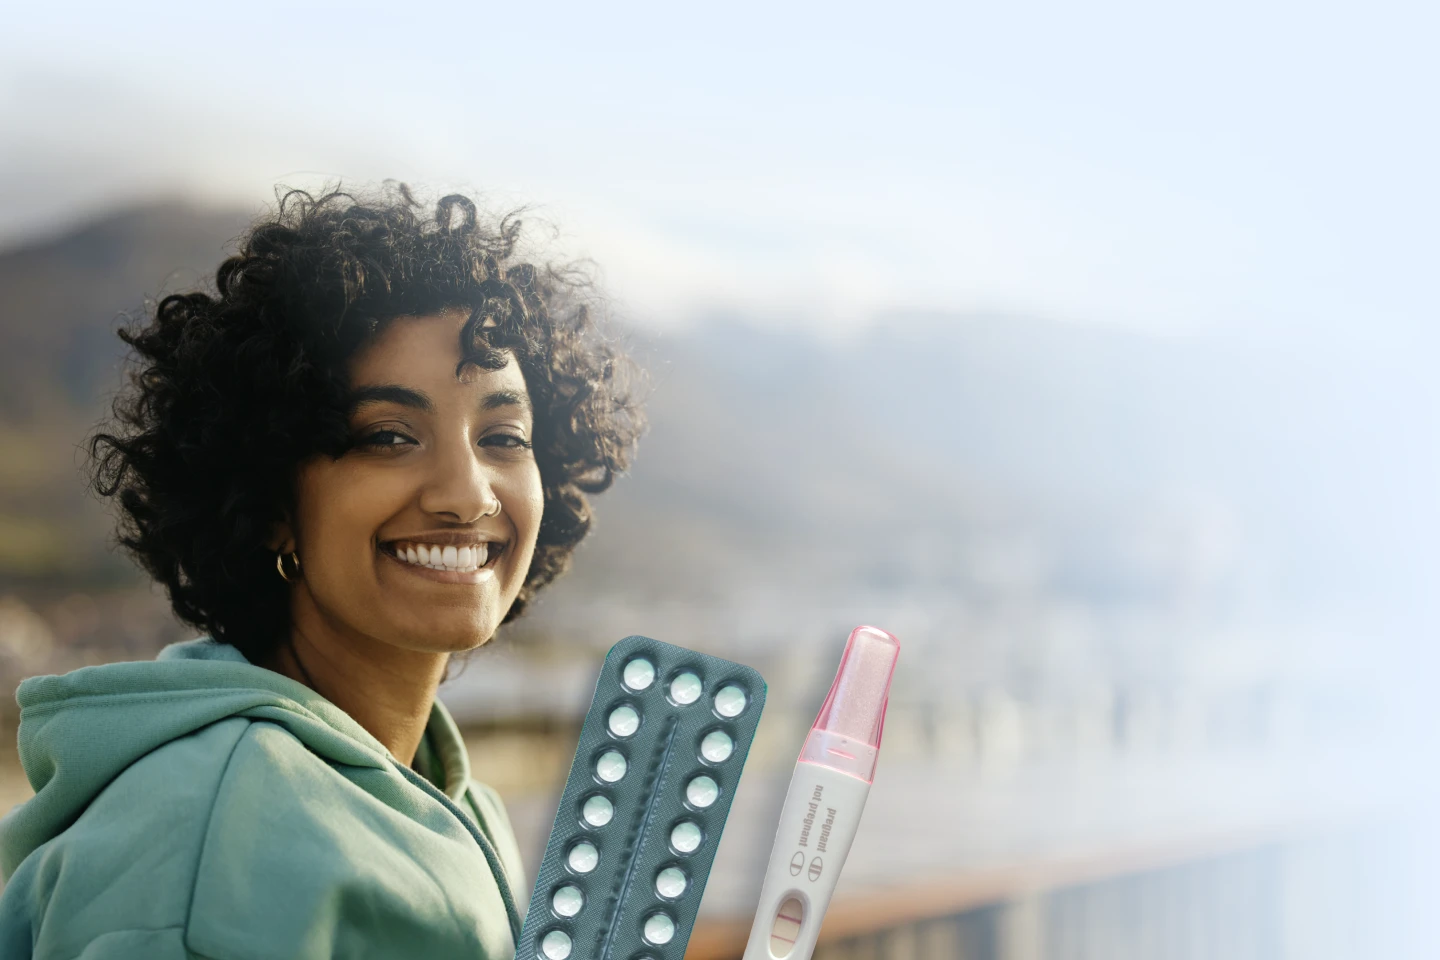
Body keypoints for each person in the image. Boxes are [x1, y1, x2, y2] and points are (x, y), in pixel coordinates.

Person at [0, 185, 644, 958]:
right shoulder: (221, 838)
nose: (467, 495)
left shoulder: (447, 797)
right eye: (389, 437)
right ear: (272, 498)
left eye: (504, 435)